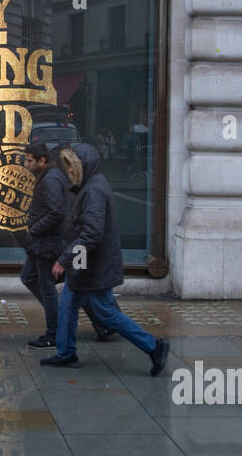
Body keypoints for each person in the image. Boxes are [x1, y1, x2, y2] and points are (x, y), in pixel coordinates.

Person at [40, 143, 169, 373]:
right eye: (67, 167)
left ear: (84, 165)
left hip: (94, 267)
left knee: (106, 313)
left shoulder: (93, 191)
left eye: (72, 167)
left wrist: (64, 260)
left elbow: (91, 235)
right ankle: (66, 353)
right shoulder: (89, 186)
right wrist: (74, 266)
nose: (69, 172)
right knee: (68, 305)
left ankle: (153, 346)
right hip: (86, 265)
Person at [23, 142, 112, 350]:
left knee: (49, 287)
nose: (26, 164)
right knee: (30, 278)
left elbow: (56, 212)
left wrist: (34, 228)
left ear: (41, 161)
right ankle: (73, 320)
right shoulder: (48, 176)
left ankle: (55, 331)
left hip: (48, 243)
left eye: (29, 160)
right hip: (42, 242)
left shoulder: (52, 179)